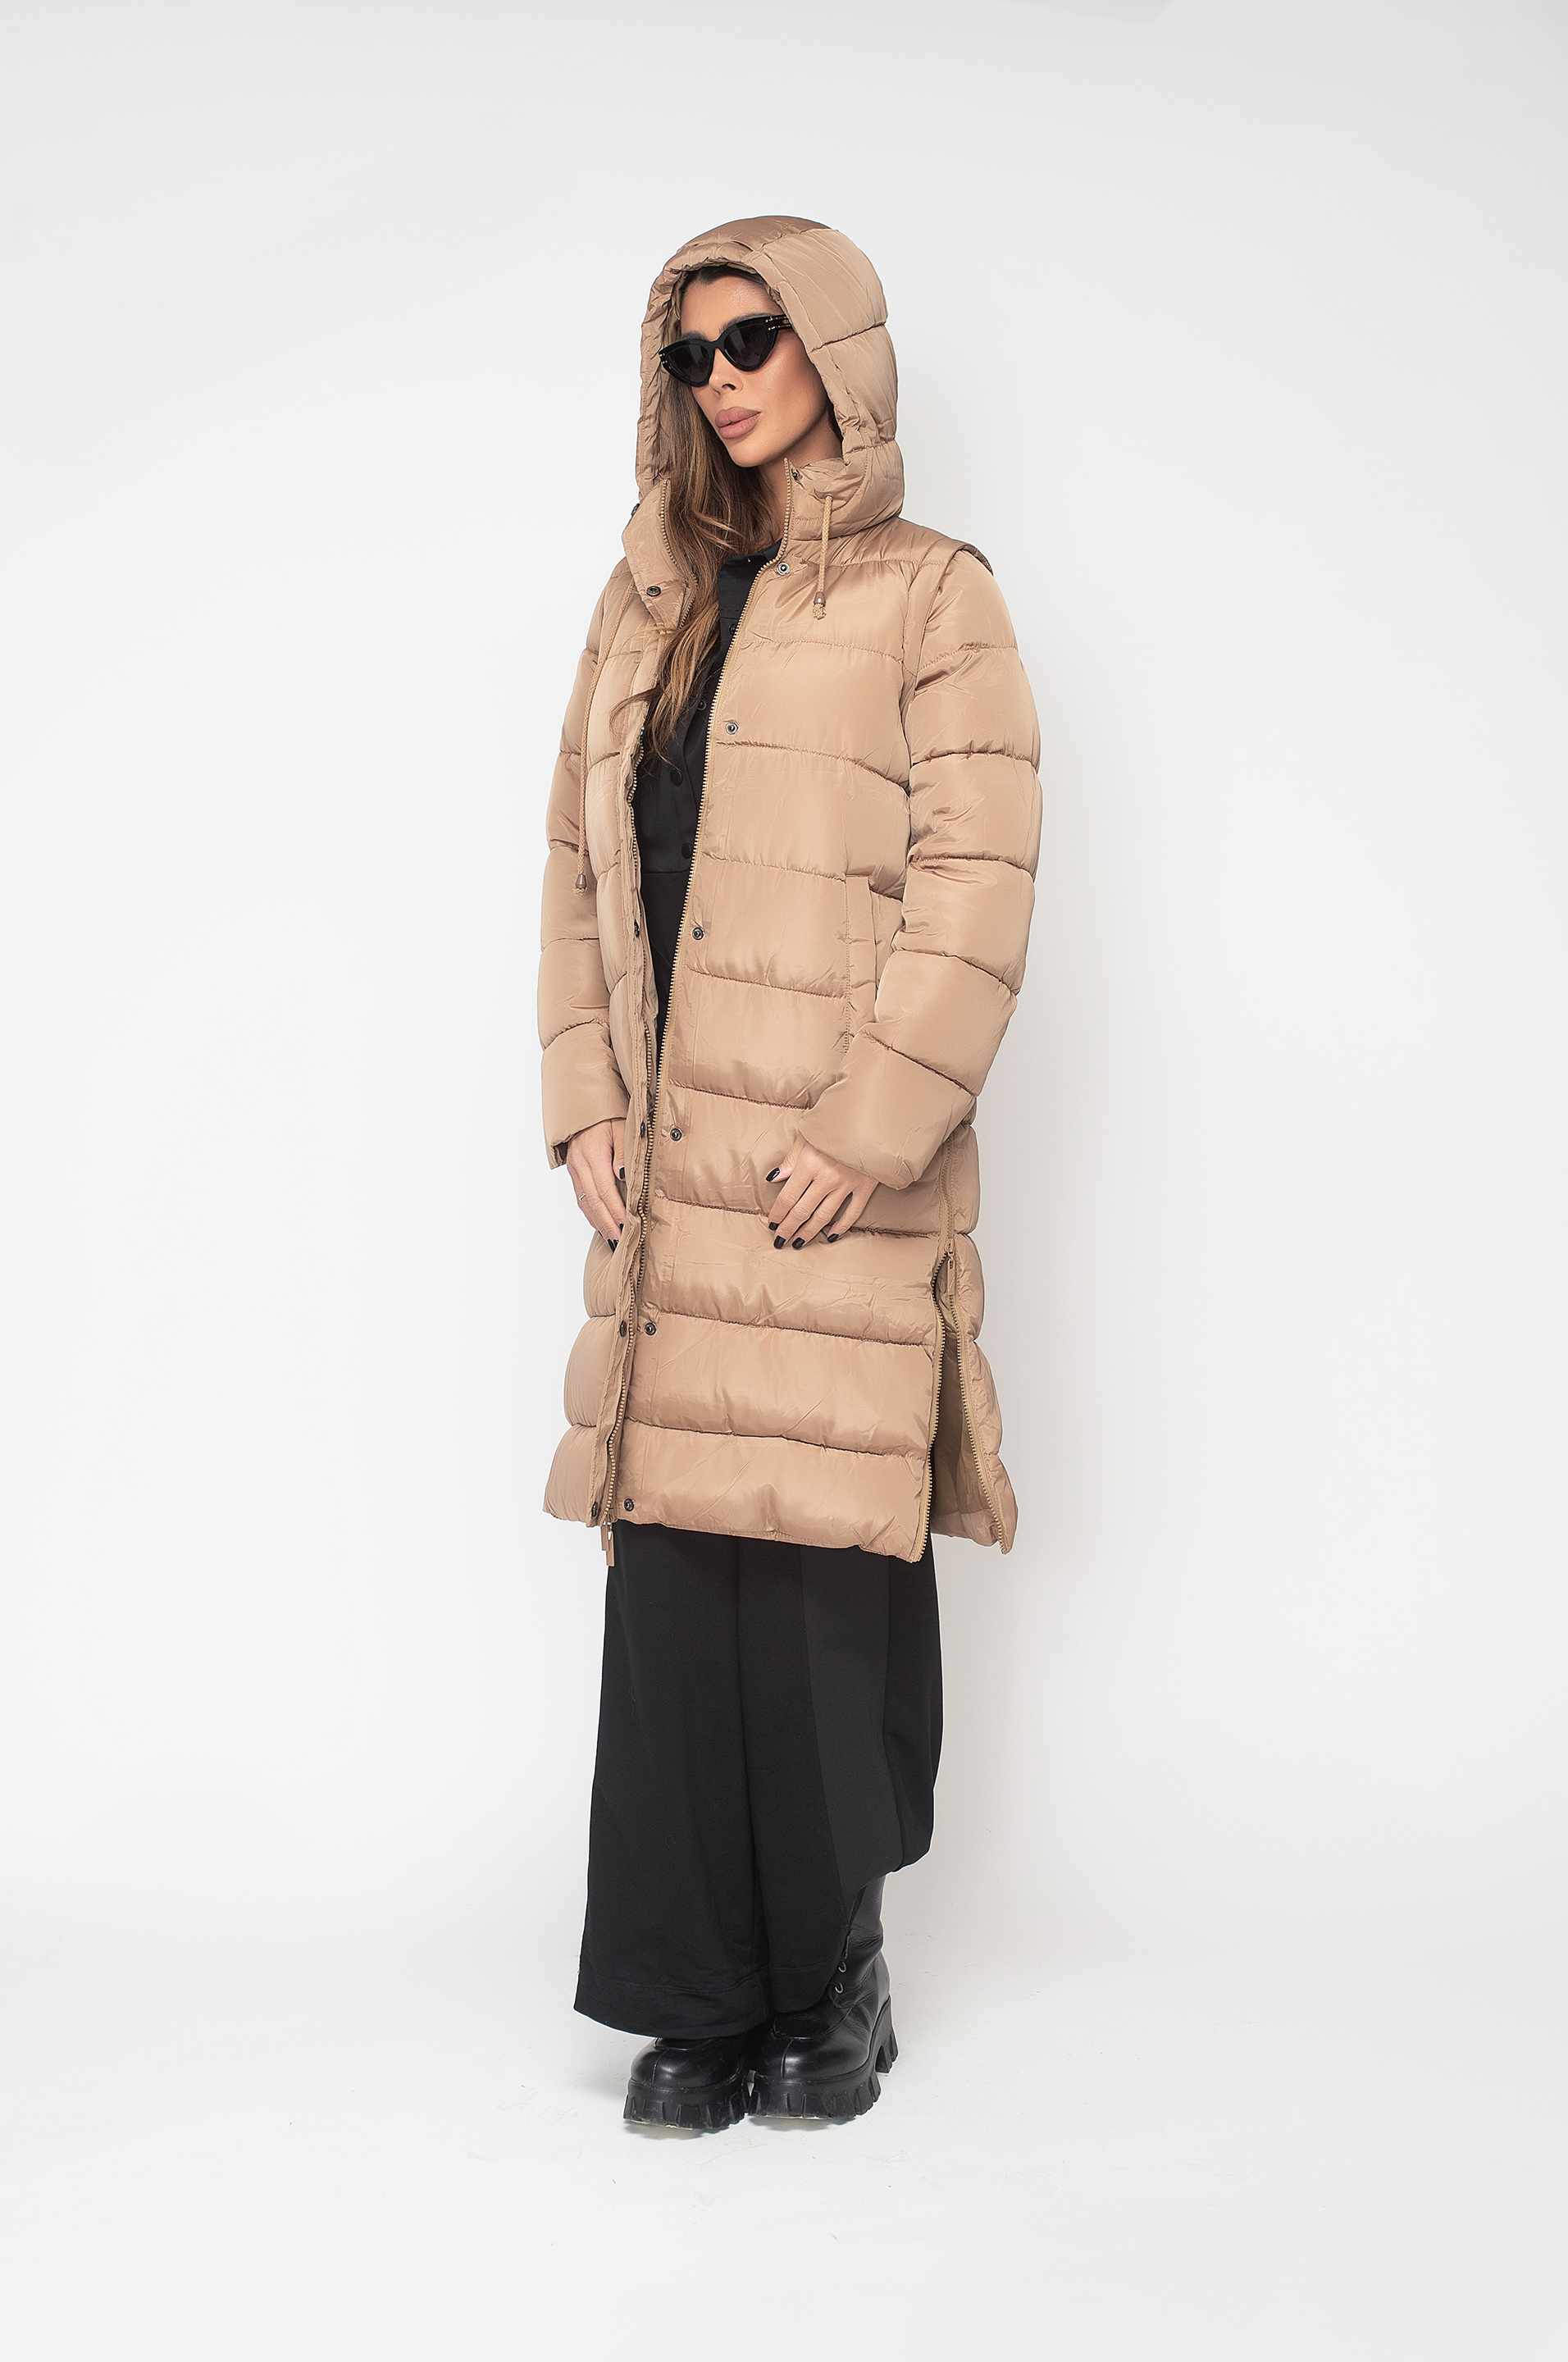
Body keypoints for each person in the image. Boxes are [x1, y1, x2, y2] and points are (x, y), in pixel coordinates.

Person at [536, 216, 1042, 2129]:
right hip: (673, 1170)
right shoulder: (645, 601)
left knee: (821, 1571)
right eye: (689, 354)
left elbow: (980, 880)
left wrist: (870, 1125)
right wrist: (583, 1099)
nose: (723, 379)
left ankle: (833, 1975)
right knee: (680, 1588)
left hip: (831, 1172)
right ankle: (696, 1993)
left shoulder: (935, 596)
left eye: (752, 340)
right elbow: (574, 869)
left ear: (836, 348)